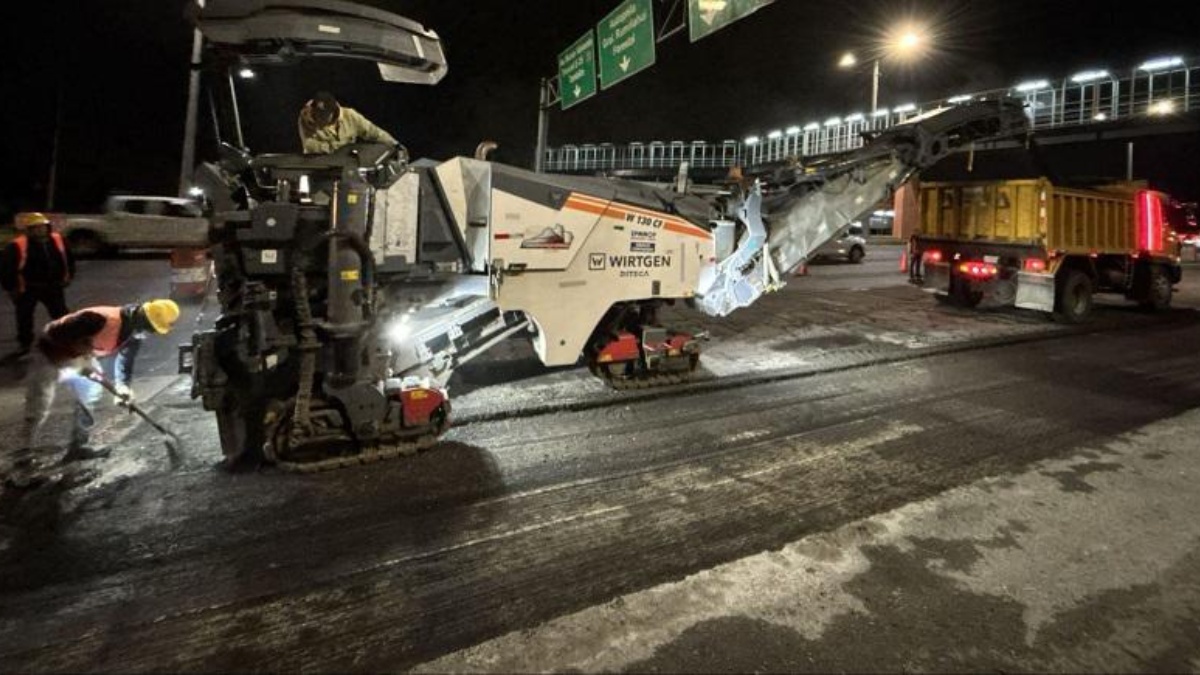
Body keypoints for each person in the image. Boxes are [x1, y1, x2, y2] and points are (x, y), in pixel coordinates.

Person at [3, 300, 181, 490]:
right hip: (49, 354)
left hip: (81, 359)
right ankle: (21, 463)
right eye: (150, 327)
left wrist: (123, 388)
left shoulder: (134, 334)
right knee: (38, 407)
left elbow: (124, 360)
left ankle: (78, 446)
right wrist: (81, 354)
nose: (149, 332)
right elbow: (58, 333)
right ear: (141, 318)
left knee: (90, 393)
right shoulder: (99, 319)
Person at [1, 212, 74, 356]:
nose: (40, 230)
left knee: (61, 315)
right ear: (28, 230)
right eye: (35, 228)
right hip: (29, 287)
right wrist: (11, 288)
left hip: (53, 286)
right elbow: (6, 269)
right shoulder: (17, 245)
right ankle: (24, 343)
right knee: (24, 316)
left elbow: (69, 260)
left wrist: (68, 276)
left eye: (42, 227)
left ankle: (67, 340)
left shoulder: (58, 240)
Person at [297, 91, 397, 154]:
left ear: (333, 111)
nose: (320, 118)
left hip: (348, 165)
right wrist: (340, 146)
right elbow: (310, 146)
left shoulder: (350, 115)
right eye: (318, 114)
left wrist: (395, 145)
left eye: (324, 115)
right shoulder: (306, 120)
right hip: (321, 165)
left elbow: (373, 132)